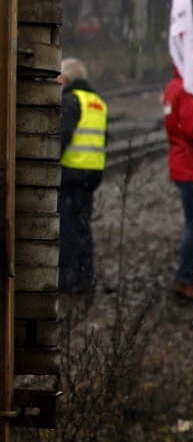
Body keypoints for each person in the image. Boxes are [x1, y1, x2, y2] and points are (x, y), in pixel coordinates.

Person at [164, 53, 193, 301]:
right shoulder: (188, 89)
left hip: (183, 162)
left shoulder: (174, 87)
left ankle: (186, 276)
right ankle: (185, 278)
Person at [59, 58, 106, 295]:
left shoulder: (70, 101)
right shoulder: (97, 102)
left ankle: (65, 280)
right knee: (82, 228)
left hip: (70, 173)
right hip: (91, 175)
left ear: (65, 78)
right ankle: (84, 278)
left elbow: (62, 136)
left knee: (66, 229)